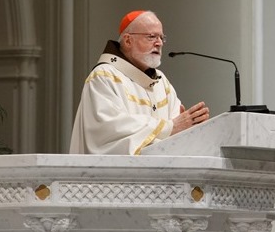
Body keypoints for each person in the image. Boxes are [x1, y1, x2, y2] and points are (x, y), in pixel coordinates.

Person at [69, 10, 209, 155]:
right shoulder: (104, 77)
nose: (159, 43)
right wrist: (169, 127)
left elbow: (178, 127)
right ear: (128, 40)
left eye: (161, 37)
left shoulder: (161, 82)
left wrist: (191, 127)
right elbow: (109, 131)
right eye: (151, 37)